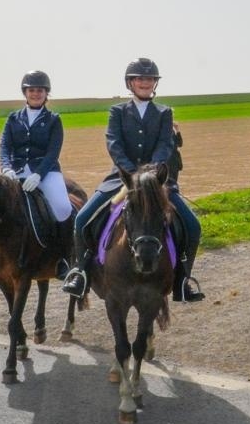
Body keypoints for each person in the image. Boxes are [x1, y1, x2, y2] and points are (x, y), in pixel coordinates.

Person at [63, 58, 203, 302]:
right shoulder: (117, 112)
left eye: (149, 79)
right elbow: (114, 143)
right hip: (121, 179)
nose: (145, 83)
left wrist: (150, 173)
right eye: (140, 79)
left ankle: (183, 279)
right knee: (83, 219)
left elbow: (165, 145)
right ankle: (81, 272)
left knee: (192, 225)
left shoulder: (164, 112)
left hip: (157, 181)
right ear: (130, 83)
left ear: (154, 84)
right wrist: (130, 173)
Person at [0, 71, 76, 279]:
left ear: (46, 94)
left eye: (40, 90)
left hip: (46, 172)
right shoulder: (13, 118)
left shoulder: (53, 120)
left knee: (63, 208)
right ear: (25, 92)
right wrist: (6, 168)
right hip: (15, 171)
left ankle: (64, 259)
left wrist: (39, 175)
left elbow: (53, 151)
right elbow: (5, 146)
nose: (35, 94)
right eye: (31, 90)